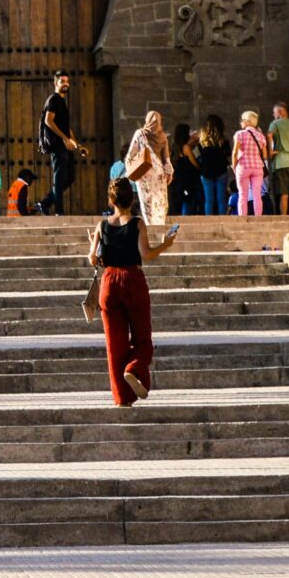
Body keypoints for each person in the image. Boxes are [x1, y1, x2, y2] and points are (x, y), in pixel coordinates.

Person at [86, 178, 178, 405]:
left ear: (111, 200)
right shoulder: (137, 223)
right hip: (133, 280)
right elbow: (146, 254)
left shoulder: (102, 226)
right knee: (142, 340)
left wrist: (95, 244)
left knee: (115, 345)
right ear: (132, 199)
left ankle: (121, 398)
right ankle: (134, 370)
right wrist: (166, 244)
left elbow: (92, 259)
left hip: (109, 282)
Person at [36, 70, 79, 215]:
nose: (66, 84)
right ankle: (59, 211)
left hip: (65, 145)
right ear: (56, 83)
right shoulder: (53, 100)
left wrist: (76, 144)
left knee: (70, 177)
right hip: (57, 144)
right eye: (62, 81)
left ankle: (45, 202)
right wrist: (64, 138)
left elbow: (66, 127)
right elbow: (48, 120)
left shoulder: (62, 102)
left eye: (67, 81)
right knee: (59, 177)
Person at [123, 112, 173, 229]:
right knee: (160, 204)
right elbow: (166, 158)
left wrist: (130, 167)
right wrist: (169, 173)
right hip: (159, 176)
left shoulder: (140, 134)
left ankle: (151, 229)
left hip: (144, 173)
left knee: (148, 205)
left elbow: (131, 155)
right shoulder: (163, 137)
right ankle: (158, 229)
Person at [189, 115, 231, 216]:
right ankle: (222, 220)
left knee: (209, 200)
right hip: (221, 171)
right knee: (221, 199)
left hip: (206, 172)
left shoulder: (202, 142)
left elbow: (197, 153)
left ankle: (209, 220)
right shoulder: (224, 140)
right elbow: (228, 154)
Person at [231, 110, 269, 217]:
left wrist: (234, 167)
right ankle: (258, 217)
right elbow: (265, 155)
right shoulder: (261, 136)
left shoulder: (240, 134)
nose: (241, 122)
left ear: (247, 121)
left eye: (242, 120)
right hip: (257, 168)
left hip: (243, 166)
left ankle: (243, 218)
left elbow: (235, 153)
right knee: (257, 195)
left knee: (243, 195)